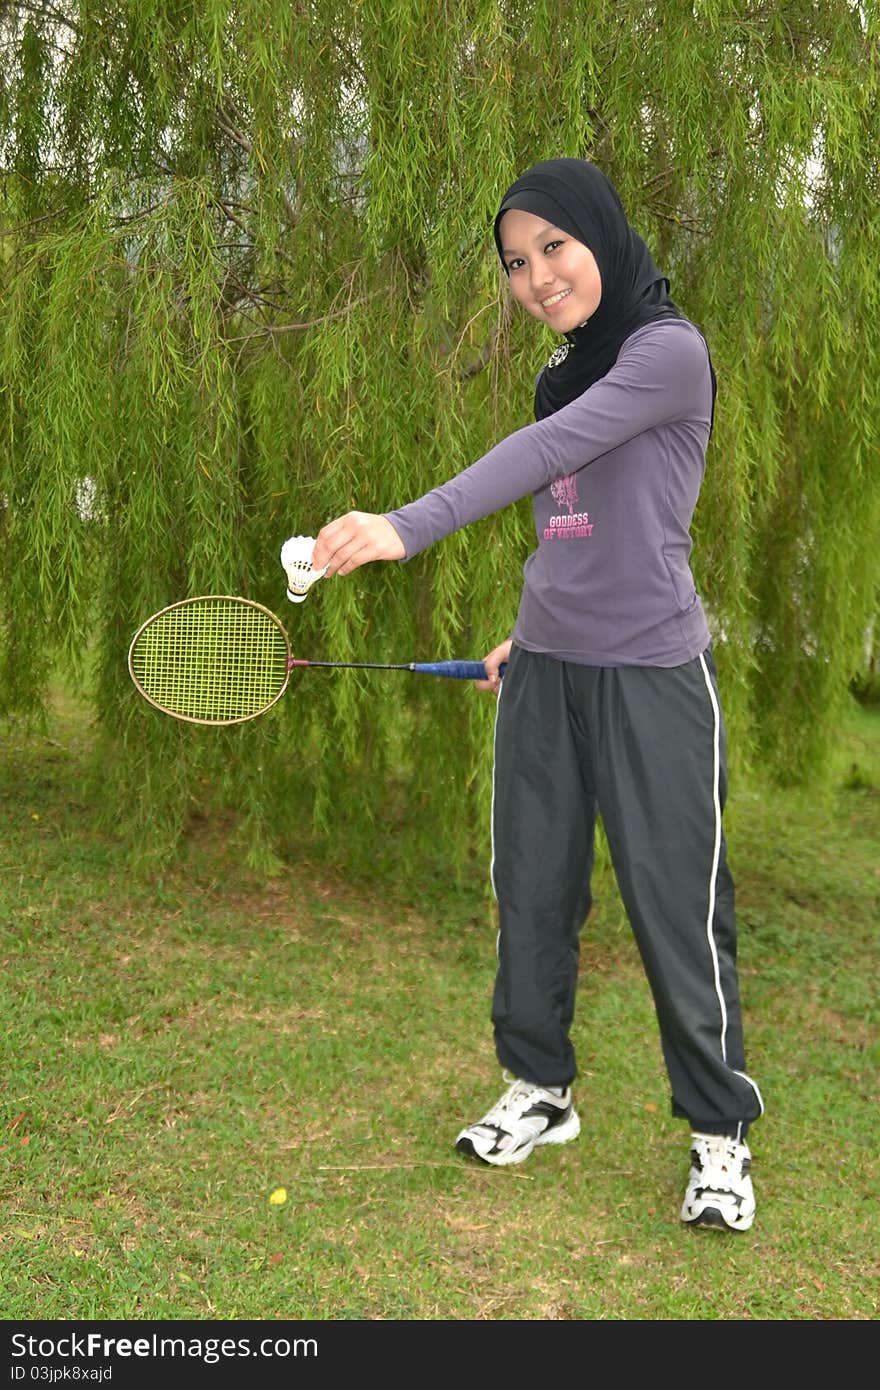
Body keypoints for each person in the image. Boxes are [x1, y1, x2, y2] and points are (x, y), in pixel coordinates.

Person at [310, 157, 764, 1232]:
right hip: (547, 665)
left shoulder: (667, 353)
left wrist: (404, 525)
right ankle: (539, 1090)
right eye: (516, 263)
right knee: (533, 889)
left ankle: (717, 1136)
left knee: (677, 909)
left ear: (601, 237)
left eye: (553, 248)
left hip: (651, 673)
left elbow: (549, 451)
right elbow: (571, 517)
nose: (536, 277)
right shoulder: (559, 371)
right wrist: (533, 634)